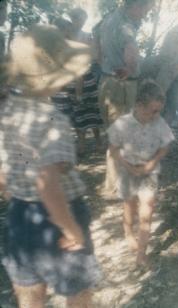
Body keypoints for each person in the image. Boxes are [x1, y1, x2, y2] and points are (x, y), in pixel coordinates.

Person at [0, 25, 101, 308]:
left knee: (29, 294)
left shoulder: (6, 112)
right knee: (78, 293)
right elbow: (47, 183)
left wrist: (18, 197)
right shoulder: (52, 120)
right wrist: (71, 230)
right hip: (58, 215)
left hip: (20, 216)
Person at [108, 81, 174, 266]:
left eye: (158, 111)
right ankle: (128, 232)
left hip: (149, 171)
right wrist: (128, 167)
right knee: (129, 206)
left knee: (147, 209)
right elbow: (113, 149)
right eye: (151, 111)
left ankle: (142, 254)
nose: (155, 115)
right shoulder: (122, 124)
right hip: (127, 170)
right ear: (138, 105)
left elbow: (165, 146)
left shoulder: (159, 123)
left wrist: (152, 163)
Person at [99, 0, 155, 194]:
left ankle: (112, 182)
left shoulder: (108, 19)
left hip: (107, 81)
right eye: (145, 9)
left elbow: (95, 44)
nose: (145, 14)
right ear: (135, 6)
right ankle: (118, 185)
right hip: (121, 85)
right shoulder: (125, 27)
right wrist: (131, 69)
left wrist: (106, 66)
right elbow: (131, 55)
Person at [68, 8, 104, 154]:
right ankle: (81, 144)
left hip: (87, 78)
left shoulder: (87, 36)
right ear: (73, 19)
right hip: (71, 79)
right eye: (79, 19)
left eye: (84, 19)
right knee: (78, 113)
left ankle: (98, 142)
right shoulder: (66, 35)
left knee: (93, 111)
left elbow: (94, 57)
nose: (81, 22)